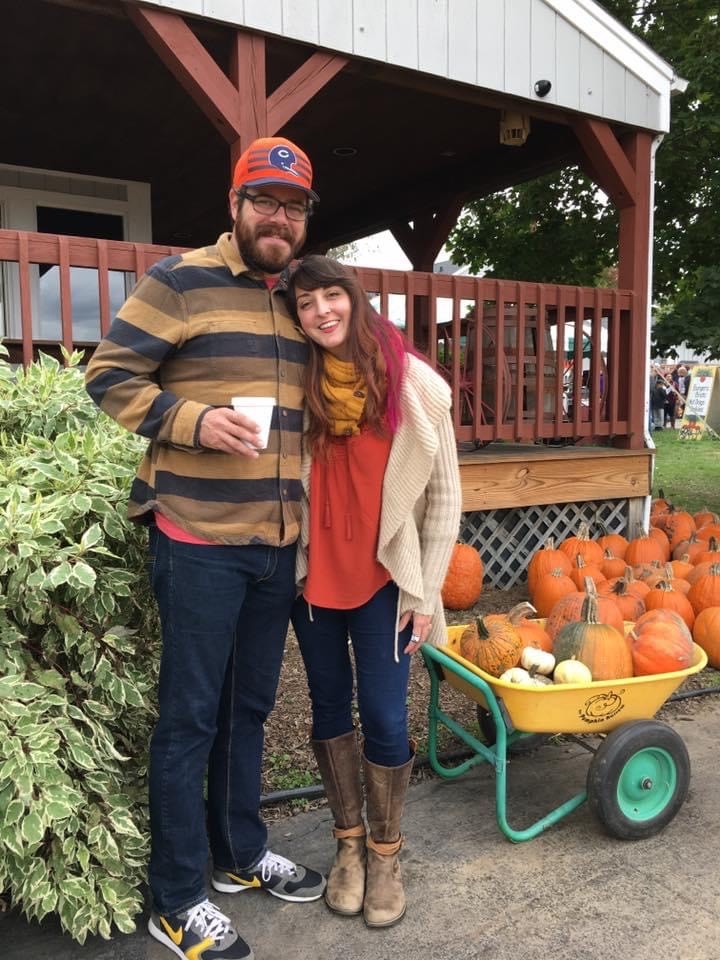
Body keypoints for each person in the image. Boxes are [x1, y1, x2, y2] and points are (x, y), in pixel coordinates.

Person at [85, 137, 326, 960]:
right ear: (235, 205)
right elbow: (109, 375)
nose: (279, 218)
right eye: (265, 201)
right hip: (196, 539)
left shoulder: (302, 297)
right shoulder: (180, 280)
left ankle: (238, 853)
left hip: (275, 544)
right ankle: (177, 894)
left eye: (293, 207)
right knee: (189, 718)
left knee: (248, 709)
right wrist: (193, 422)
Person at [286, 255, 462, 929]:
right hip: (317, 579)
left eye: (332, 295)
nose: (322, 311)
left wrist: (428, 593)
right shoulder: (296, 382)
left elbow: (445, 497)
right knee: (329, 709)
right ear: (298, 318)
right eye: (307, 304)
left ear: (354, 300)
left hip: (390, 582)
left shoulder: (412, 383)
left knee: (386, 718)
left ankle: (387, 855)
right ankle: (349, 848)